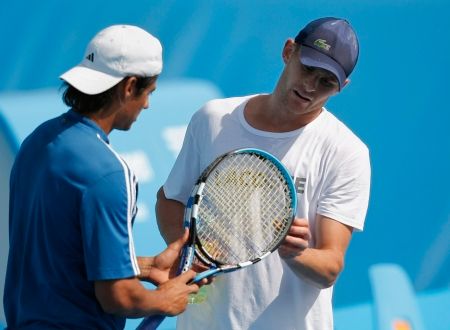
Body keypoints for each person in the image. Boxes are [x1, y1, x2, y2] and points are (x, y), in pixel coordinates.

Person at [156, 17, 371, 330]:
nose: (311, 86)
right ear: (288, 51)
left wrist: (295, 252)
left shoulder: (346, 152)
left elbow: (330, 266)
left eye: (326, 82)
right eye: (308, 68)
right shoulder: (213, 119)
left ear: (342, 88)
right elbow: (170, 199)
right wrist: (187, 252)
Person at [3, 24, 202, 329]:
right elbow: (118, 296)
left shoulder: (37, 142)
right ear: (128, 87)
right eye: (147, 93)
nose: (146, 104)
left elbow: (60, 254)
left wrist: (142, 266)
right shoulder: (109, 172)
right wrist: (165, 298)